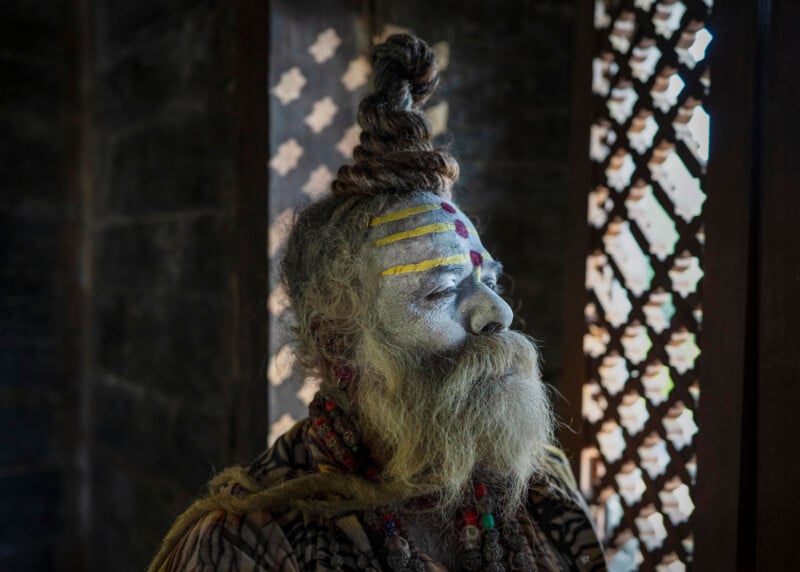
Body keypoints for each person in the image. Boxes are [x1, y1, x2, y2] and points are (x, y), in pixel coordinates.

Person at [147, 34, 605, 572]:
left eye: (490, 281)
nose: (498, 314)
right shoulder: (246, 542)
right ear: (338, 342)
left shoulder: (540, 483)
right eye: (438, 290)